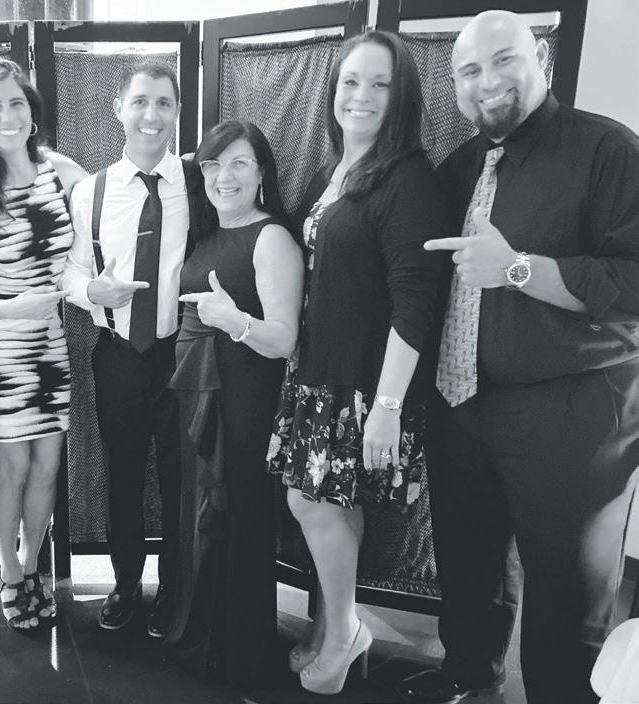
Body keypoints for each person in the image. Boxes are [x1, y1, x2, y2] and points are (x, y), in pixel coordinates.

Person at [398, 11, 639, 704]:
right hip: (464, 404)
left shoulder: (608, 150)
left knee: (565, 593)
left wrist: (520, 270)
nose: (488, 81)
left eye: (503, 60)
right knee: (468, 565)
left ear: (541, 58)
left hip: (572, 413)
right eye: (470, 70)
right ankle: (469, 676)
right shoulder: (456, 169)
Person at [266, 30, 448, 695]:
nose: (361, 95)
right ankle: (335, 627)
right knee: (330, 505)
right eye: (350, 80)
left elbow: (416, 303)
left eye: (380, 83)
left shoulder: (409, 179)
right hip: (319, 375)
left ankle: (344, 631)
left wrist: (388, 408)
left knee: (310, 501)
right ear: (332, 90)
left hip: (366, 387)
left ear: (402, 97)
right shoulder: (333, 169)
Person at [60, 60, 200, 637]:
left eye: (163, 102)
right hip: (117, 352)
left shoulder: (198, 182)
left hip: (183, 353)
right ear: (119, 109)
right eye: (140, 101)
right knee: (122, 474)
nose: (151, 114)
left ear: (177, 112)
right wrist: (91, 290)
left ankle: (175, 588)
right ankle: (124, 584)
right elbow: (69, 270)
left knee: (180, 479)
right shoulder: (90, 192)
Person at [0, 59, 86, 630]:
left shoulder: (62, 171)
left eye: (17, 104)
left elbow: (110, 222)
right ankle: (8, 570)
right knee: (13, 466)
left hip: (48, 343)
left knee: (48, 466)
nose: (7, 116)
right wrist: (14, 308)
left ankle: (32, 566)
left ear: (33, 114)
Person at [167, 119, 302, 687]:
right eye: (214, 164)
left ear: (262, 172)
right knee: (202, 518)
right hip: (199, 395)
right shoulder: (205, 233)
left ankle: (244, 656)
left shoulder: (271, 238)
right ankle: (205, 641)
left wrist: (234, 321)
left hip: (246, 402)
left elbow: (285, 339)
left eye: (240, 163)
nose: (225, 176)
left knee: (241, 520)